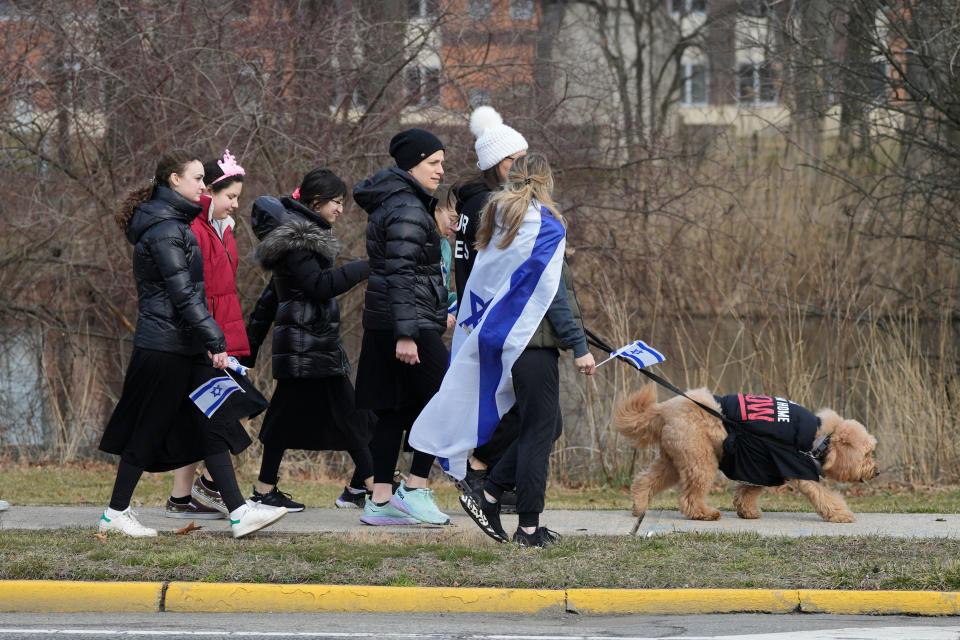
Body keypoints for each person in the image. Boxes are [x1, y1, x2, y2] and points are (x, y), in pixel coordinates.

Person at [99, 150, 286, 538]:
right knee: (148, 428)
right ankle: (116, 512)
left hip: (184, 345)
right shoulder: (165, 228)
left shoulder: (174, 223)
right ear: (173, 180)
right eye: (198, 178)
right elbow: (183, 293)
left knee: (212, 420)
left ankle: (238, 512)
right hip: (165, 346)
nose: (204, 185)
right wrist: (215, 339)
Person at [459, 153, 596, 547]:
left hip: (504, 341)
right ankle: (529, 528)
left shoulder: (499, 221)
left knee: (549, 424)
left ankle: (489, 492)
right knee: (539, 430)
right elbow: (554, 296)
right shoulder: (544, 226)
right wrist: (580, 346)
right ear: (546, 181)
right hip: (533, 344)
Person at [244, 169, 373, 512]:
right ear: (316, 202)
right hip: (308, 348)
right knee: (353, 417)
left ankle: (264, 489)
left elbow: (270, 298)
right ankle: (376, 491)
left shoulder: (299, 240)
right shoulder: (299, 242)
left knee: (285, 421)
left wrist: (250, 345)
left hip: (309, 346)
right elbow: (319, 286)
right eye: (336, 202)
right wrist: (365, 268)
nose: (341, 210)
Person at [352, 128, 451, 526]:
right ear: (413, 164)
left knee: (393, 410)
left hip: (388, 320)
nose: (441, 170)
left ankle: (379, 499)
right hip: (407, 324)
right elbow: (402, 272)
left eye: (442, 162)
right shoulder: (409, 208)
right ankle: (415, 487)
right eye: (434, 163)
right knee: (444, 400)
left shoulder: (395, 201)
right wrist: (407, 333)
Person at [166, 150, 250, 520]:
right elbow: (194, 293)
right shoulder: (193, 230)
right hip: (207, 339)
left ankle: (183, 497)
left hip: (225, 335)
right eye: (229, 196)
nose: (234, 205)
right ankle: (212, 485)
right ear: (209, 193)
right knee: (232, 411)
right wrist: (210, 340)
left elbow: (226, 292)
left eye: (238, 198)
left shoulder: (225, 231)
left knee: (207, 416)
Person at [452, 106, 529, 508]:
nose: (525, 169)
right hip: (495, 317)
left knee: (503, 404)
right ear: (502, 164)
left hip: (476, 314)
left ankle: (491, 476)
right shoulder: (494, 207)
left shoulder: (470, 205)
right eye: (519, 161)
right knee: (521, 407)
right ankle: (483, 473)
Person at [434, 187, 458, 331]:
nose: (456, 228)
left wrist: (459, 300)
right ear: (437, 211)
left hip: (435, 321)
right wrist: (438, 314)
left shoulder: (446, 246)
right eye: (452, 220)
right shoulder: (423, 241)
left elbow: (443, 290)